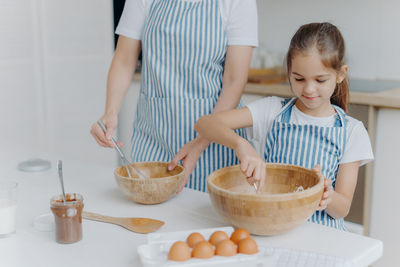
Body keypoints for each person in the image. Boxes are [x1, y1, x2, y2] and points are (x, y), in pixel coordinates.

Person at [195, 22, 373, 230]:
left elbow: (342, 209)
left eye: (320, 80)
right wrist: (241, 144)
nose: (309, 88)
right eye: (299, 78)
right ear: (289, 71)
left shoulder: (352, 131)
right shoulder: (272, 110)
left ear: (341, 74)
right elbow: (205, 123)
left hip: (322, 237)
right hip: (273, 228)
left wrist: (328, 196)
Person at [90, 0, 258, 193]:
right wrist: (110, 112)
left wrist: (200, 142)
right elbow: (124, 60)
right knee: (154, 216)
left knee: (212, 215)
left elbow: (234, 81)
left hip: (215, 141)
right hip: (154, 137)